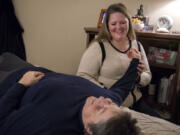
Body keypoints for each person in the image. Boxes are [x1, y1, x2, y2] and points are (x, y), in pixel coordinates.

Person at [0, 52, 141, 135]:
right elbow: (121, 89)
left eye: (100, 108)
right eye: (110, 104)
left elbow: (3, 121)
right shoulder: (110, 107)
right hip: (30, 68)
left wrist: (21, 85)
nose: (103, 99)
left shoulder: (48, 125)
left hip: (8, 81)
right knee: (6, 55)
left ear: (89, 129)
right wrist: (135, 61)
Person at [77, 3, 156, 116]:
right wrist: (105, 92)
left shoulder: (137, 45)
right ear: (108, 26)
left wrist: (138, 77)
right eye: (113, 23)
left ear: (128, 23)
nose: (118, 27)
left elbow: (148, 75)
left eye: (123, 22)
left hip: (136, 103)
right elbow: (82, 76)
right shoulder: (99, 47)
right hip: (110, 104)